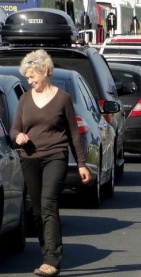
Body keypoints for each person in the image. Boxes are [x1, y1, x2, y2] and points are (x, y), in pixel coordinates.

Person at [10, 49, 90, 277]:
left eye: (32, 76)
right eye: (26, 77)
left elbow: (74, 133)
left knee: (48, 204)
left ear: (45, 71)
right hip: (30, 159)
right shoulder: (25, 98)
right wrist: (18, 136)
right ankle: (46, 254)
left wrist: (82, 164)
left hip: (56, 155)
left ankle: (52, 259)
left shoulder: (62, 98)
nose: (29, 80)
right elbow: (15, 127)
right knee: (36, 211)